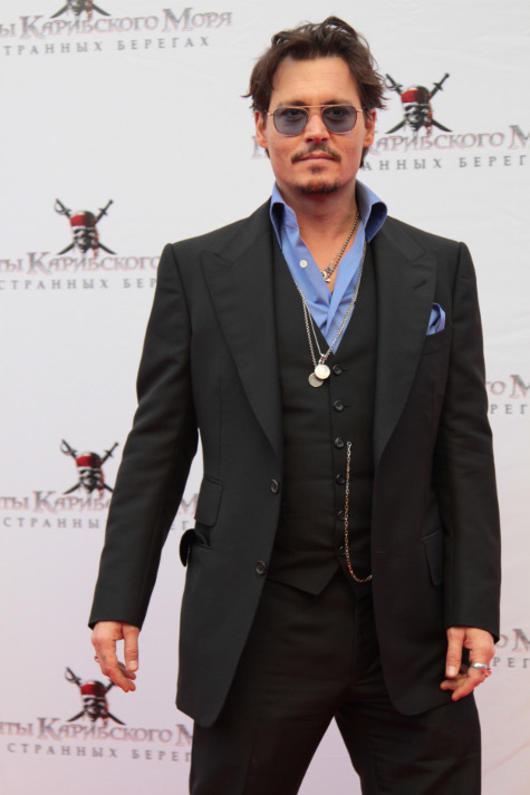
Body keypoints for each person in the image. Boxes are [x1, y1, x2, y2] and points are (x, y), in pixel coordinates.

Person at [89, 16, 501, 794]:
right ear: (262, 129)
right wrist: (119, 598)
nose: (316, 131)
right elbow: (156, 449)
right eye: (292, 115)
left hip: (409, 630)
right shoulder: (197, 270)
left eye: (337, 113)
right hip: (256, 624)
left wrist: (474, 604)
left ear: (369, 126)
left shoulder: (440, 267)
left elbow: (465, 449)